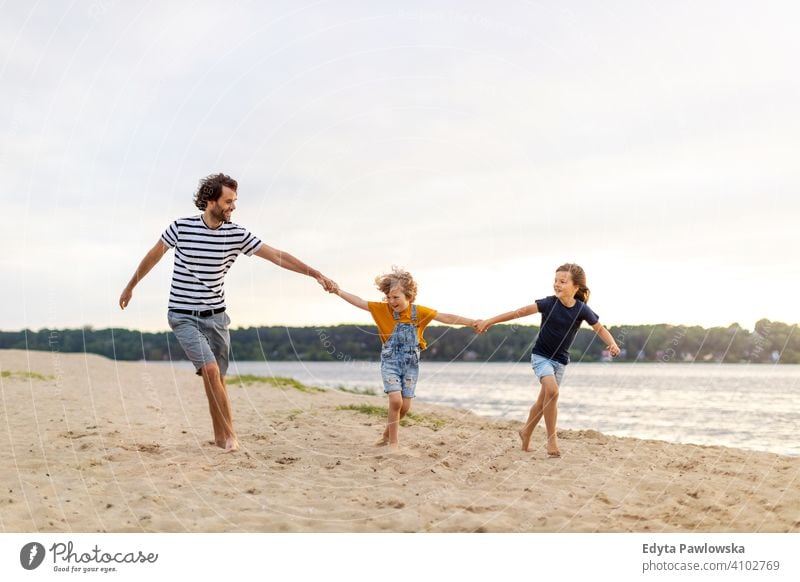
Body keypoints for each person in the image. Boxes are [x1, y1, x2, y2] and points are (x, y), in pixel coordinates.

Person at [119, 173, 337, 452]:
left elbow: (277, 255)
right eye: (228, 201)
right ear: (210, 201)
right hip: (182, 315)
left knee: (217, 378)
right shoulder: (180, 228)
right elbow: (153, 255)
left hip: (217, 318)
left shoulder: (236, 234)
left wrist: (314, 273)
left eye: (235, 201)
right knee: (210, 371)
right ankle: (232, 436)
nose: (233, 206)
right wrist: (130, 286)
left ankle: (220, 437)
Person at [475, 263, 619, 457]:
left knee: (544, 400)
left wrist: (612, 344)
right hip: (541, 357)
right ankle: (552, 441)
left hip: (560, 361)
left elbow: (600, 329)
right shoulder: (548, 303)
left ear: (576, 287)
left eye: (562, 281)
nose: (557, 285)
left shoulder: (582, 310)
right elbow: (518, 312)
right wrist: (489, 321)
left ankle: (526, 432)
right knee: (552, 392)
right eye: (556, 281)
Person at [334, 267, 477, 450]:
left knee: (405, 407)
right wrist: (338, 290)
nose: (392, 301)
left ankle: (386, 435)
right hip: (390, 363)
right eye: (389, 297)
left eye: (396, 297)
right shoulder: (381, 310)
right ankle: (394, 443)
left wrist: (472, 322)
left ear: (408, 296)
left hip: (411, 365)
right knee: (395, 401)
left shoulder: (420, 313)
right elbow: (359, 301)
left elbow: (446, 317)